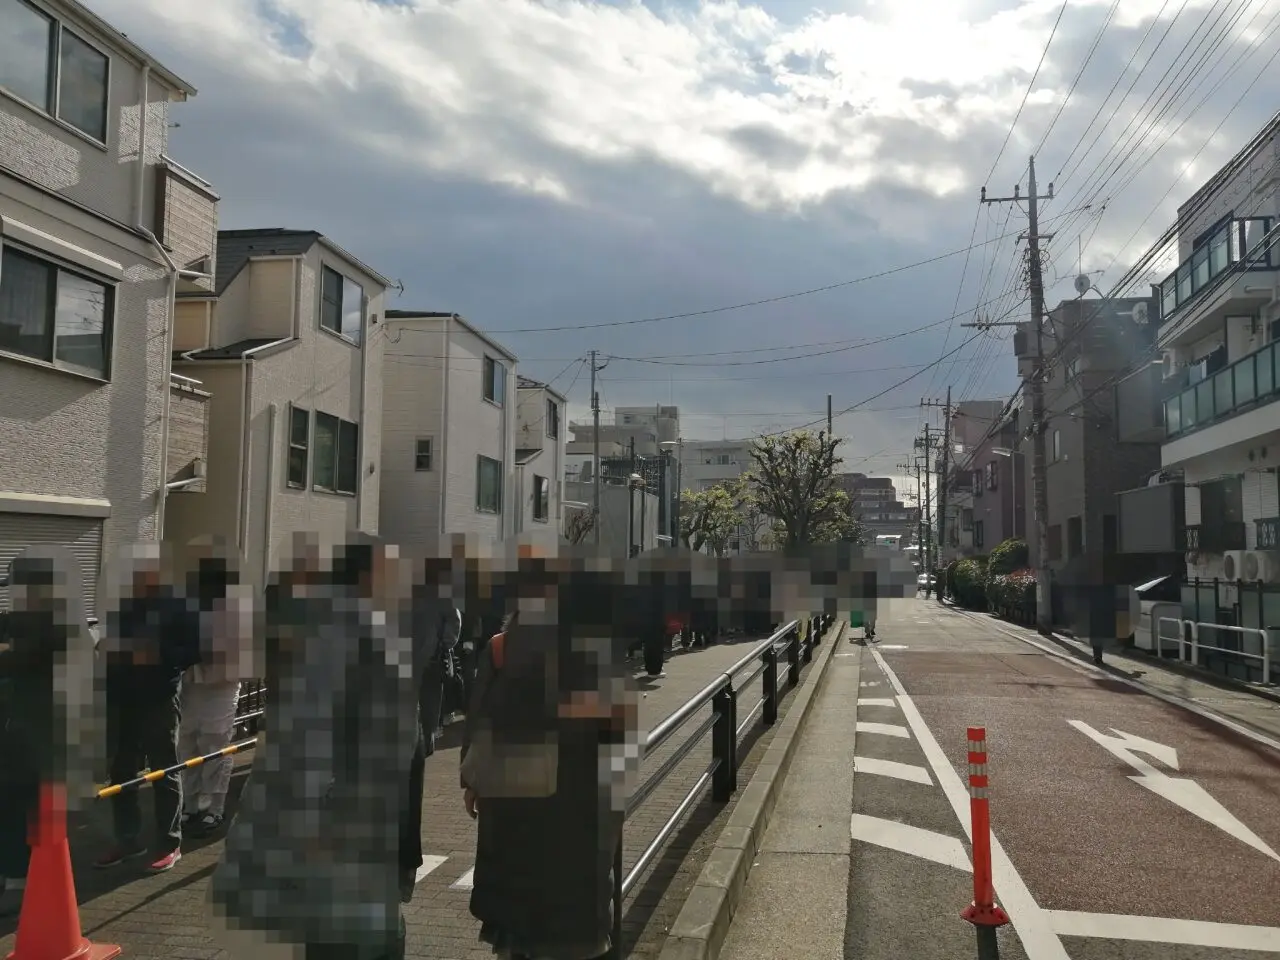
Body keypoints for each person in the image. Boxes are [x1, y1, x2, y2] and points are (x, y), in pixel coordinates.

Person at [462, 546, 637, 960]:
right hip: (579, 799)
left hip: (511, 799)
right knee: (570, 907)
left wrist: (472, 780)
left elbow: (480, 718)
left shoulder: (503, 648)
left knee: (516, 905)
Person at [0, 547, 97, 917]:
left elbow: (18, 658)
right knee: (9, 802)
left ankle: (24, 881)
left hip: (49, 733)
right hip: (15, 730)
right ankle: (10, 873)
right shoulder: (18, 620)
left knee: (35, 809)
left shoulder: (62, 625)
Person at [96, 545, 202, 873]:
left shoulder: (180, 605)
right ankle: (128, 839)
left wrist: (158, 656)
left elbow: (196, 648)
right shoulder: (126, 606)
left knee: (164, 768)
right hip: (121, 696)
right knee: (122, 770)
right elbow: (110, 640)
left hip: (158, 696)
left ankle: (170, 842)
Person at [178, 541, 251, 837]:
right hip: (192, 678)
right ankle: (190, 804)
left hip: (222, 680)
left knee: (215, 743)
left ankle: (214, 807)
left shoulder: (237, 604)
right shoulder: (188, 598)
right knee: (188, 742)